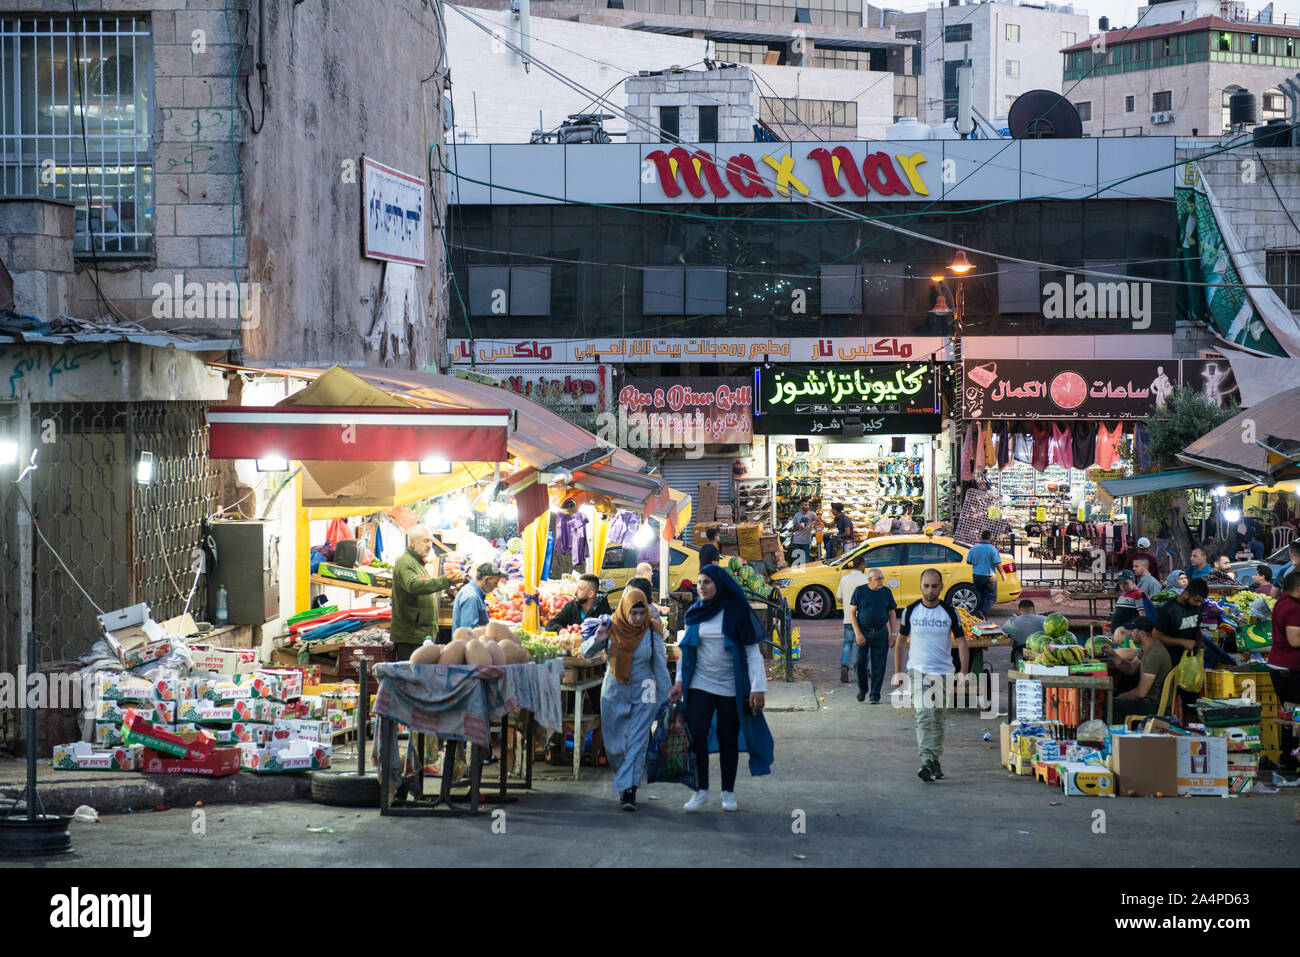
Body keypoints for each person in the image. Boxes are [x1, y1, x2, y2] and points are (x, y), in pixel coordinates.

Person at [669, 564, 773, 812]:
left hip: (730, 688)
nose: (701, 587)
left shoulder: (736, 613)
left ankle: (728, 792)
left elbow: (752, 653)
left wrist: (758, 688)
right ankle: (701, 790)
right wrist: (679, 682)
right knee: (697, 735)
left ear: (719, 584)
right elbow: (687, 651)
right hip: (699, 686)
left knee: (728, 740)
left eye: (707, 582)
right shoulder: (695, 613)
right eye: (699, 582)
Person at [580, 585, 672, 811]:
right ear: (625, 610)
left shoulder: (652, 630)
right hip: (614, 689)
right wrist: (597, 640)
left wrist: (668, 699)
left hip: (645, 689)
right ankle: (624, 782)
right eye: (634, 613)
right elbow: (585, 653)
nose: (639, 618)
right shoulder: (611, 626)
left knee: (637, 742)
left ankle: (629, 791)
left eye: (642, 613)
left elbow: (660, 666)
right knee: (614, 745)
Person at [893, 569, 969, 783]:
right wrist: (898, 671)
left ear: (941, 587)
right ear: (920, 586)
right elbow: (900, 641)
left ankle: (934, 761)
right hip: (917, 671)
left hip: (943, 673)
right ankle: (926, 760)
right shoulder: (911, 611)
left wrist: (963, 671)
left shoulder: (950, 612)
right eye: (926, 585)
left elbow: (962, 641)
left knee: (937, 719)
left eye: (934, 586)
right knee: (924, 714)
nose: (930, 590)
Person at [391, 525, 464, 656]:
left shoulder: (417, 563)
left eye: (431, 541)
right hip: (411, 636)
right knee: (412, 674)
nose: (429, 545)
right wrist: (444, 581)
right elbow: (414, 585)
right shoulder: (406, 563)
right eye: (425, 541)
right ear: (413, 542)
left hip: (421, 635)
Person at [1101, 617, 1173, 722]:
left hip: (1154, 705)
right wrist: (1112, 654)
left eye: (1132, 630)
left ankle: (1118, 736)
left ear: (1142, 633)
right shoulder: (1148, 649)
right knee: (1113, 702)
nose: (1129, 634)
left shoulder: (1154, 655)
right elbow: (1130, 669)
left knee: (1111, 705)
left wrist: (1121, 697)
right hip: (1149, 701)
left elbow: (1140, 693)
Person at [849, 568, 899, 704]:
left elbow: (892, 613)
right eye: (879, 579)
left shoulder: (886, 592)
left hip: (881, 632)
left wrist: (893, 633)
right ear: (870, 580)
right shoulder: (860, 591)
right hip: (863, 632)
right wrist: (857, 633)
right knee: (859, 663)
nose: (882, 581)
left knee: (879, 666)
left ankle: (874, 696)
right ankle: (862, 689)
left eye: (882, 578)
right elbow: (852, 612)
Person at [1268, 571, 1300, 771]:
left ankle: (1288, 759)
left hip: (1280, 666)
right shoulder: (1294, 608)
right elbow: (1295, 640)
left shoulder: (1281, 602)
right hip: (1289, 670)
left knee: (1291, 715)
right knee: (1295, 715)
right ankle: (1289, 761)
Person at [1154, 577, 1207, 666]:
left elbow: (1195, 626)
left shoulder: (1196, 607)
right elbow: (1156, 636)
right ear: (1186, 594)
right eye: (1196, 600)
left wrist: (1200, 640)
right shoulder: (1169, 609)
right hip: (1170, 659)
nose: (1198, 604)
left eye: (1200, 601)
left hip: (1190, 659)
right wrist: (1182, 642)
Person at [835, 554, 869, 684]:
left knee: (847, 644)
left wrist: (848, 602)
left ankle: (844, 666)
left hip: (849, 618)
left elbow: (838, 597)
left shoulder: (845, 579)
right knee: (862, 645)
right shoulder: (866, 580)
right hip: (863, 619)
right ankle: (862, 670)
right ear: (863, 565)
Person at [545, 574, 612, 631]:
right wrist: (561, 630)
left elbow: (608, 629)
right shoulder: (572, 605)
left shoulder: (603, 609)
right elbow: (551, 624)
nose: (575, 592)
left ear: (591, 594)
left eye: (580, 589)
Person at [451, 562, 504, 632]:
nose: (496, 586)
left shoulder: (472, 591)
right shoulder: (472, 597)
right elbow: (469, 631)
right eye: (495, 583)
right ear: (486, 580)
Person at [964, 529, 1002, 617]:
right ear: (991, 538)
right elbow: (997, 563)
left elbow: (968, 561)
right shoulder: (993, 549)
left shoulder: (973, 548)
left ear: (981, 537)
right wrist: (1003, 574)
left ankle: (980, 616)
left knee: (979, 596)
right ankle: (982, 612)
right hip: (989, 577)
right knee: (992, 597)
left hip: (977, 576)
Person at [1001, 599, 1047, 669]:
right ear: (1034, 610)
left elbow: (1003, 634)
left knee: (1020, 674)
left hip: (1020, 653)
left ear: (1019, 612)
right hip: (1041, 654)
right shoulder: (1044, 620)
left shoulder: (1011, 622)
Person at [790, 500, 816, 566]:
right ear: (801, 506)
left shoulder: (812, 514)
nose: (807, 506)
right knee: (798, 561)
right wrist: (798, 526)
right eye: (805, 505)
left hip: (806, 541)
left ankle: (804, 574)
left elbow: (817, 519)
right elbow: (794, 529)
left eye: (808, 505)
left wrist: (810, 524)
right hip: (797, 541)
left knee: (805, 561)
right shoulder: (797, 515)